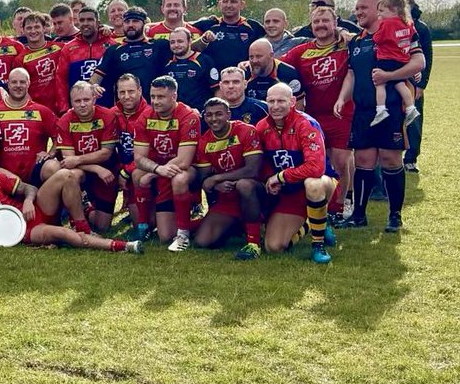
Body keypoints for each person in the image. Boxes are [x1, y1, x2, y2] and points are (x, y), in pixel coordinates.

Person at [338, 0, 425, 233]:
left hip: (392, 110)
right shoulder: (356, 41)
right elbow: (352, 74)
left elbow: (418, 62)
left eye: (363, 8)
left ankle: (395, 216)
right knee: (363, 161)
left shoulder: (401, 31)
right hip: (364, 111)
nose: (358, 12)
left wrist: (388, 77)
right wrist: (342, 97)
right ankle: (358, 215)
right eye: (356, 8)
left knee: (390, 159)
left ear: (379, 10)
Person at [0, 151, 139, 253]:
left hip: (33, 210)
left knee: (66, 175)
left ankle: (83, 228)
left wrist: (28, 201)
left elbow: (29, 189)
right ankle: (119, 246)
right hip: (24, 231)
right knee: (63, 233)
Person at [284, 5, 355, 223]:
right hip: (314, 117)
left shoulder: (346, 46)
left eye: (326, 21)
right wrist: (250, 63)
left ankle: (344, 203)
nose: (321, 25)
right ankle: (324, 203)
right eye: (316, 22)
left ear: (335, 24)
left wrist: (348, 35)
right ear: (311, 25)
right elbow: (276, 63)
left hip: (342, 114)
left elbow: (366, 40)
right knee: (321, 164)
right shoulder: (301, 51)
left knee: (341, 160)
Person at [257, 83, 335, 263]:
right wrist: (269, 180)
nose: (275, 106)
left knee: (313, 184)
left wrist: (280, 176)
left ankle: (318, 244)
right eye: (271, 101)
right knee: (274, 247)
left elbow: (316, 168)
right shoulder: (262, 127)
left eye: (281, 101)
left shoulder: (307, 123)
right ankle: (317, 222)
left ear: (292, 101)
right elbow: (263, 164)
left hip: (322, 184)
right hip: (289, 192)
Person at [130, 76, 201, 251]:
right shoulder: (145, 116)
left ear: (174, 96)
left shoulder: (188, 116)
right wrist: (157, 169)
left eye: (160, 97)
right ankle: (143, 225)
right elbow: (138, 157)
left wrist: (155, 172)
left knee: (179, 178)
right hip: (160, 169)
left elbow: (184, 161)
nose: (155, 101)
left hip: (186, 169)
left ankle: (184, 233)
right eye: (153, 96)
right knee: (136, 174)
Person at [191, 98, 265, 258]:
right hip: (228, 199)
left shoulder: (246, 131)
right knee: (203, 242)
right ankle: (237, 226)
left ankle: (254, 243)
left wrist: (217, 178)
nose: (214, 119)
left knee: (244, 185)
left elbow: (253, 170)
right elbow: (204, 179)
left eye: (219, 114)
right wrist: (214, 185)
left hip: (257, 193)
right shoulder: (204, 142)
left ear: (228, 114)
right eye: (209, 115)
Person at [50, 81, 122, 233]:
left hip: (107, 171)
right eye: (77, 101)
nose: (82, 104)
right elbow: (69, 161)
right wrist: (95, 168)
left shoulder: (108, 116)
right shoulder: (64, 121)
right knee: (71, 175)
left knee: (102, 227)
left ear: (94, 99)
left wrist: (78, 160)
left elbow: (106, 153)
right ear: (71, 102)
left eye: (86, 100)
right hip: (84, 170)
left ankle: (86, 209)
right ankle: (77, 218)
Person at [0, 68, 59, 185]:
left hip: (35, 173)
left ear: (28, 83)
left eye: (22, 82)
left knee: (54, 167)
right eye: (14, 82)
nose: (18, 85)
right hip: (4, 175)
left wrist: (50, 154)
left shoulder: (42, 111)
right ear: (8, 84)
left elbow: (60, 136)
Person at [91, 7, 172, 102]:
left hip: (154, 108)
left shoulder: (160, 45)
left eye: (135, 21)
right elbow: (95, 78)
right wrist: (93, 86)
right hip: (126, 110)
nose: (130, 25)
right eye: (127, 21)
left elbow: (186, 48)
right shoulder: (114, 50)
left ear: (145, 23)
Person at [369, 0, 420, 127]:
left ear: (394, 10)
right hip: (402, 59)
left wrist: (378, 29)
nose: (379, 15)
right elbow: (414, 38)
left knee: (380, 83)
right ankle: (411, 107)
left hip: (386, 58)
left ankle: (380, 109)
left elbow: (377, 39)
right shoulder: (408, 23)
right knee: (400, 84)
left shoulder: (387, 24)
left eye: (382, 11)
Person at [113, 74, 151, 226]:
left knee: (141, 221)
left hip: (142, 168)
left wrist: (126, 171)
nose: (126, 96)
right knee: (100, 224)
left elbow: (151, 154)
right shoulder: (112, 113)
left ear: (140, 91)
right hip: (119, 166)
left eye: (131, 91)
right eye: (122, 92)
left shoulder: (151, 114)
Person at [59, 7, 117, 108]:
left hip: (108, 108)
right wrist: (64, 108)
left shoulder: (112, 45)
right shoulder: (68, 48)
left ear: (98, 23)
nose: (85, 23)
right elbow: (61, 80)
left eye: (90, 20)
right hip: (78, 109)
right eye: (82, 20)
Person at [194, 0, 265, 70]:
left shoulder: (254, 27)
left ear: (242, 5)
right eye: (225, 1)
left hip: (243, 79)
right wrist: (203, 39)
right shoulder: (207, 25)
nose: (228, 5)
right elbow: (183, 34)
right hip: (212, 80)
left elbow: (274, 38)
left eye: (233, 2)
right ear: (220, 4)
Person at [13, 12, 65, 112]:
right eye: (29, 28)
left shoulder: (59, 48)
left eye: (37, 27)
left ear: (44, 28)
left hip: (63, 108)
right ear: (23, 30)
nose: (33, 31)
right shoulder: (20, 59)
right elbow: (23, 90)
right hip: (39, 111)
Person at [404, 0, 432, 172]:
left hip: (415, 82)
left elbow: (427, 58)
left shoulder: (421, 28)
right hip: (394, 81)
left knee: (414, 120)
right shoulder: (387, 25)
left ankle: (411, 158)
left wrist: (421, 84)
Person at [163, 27, 219, 110]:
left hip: (201, 112)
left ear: (190, 41)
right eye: (172, 42)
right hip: (176, 114)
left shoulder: (204, 60)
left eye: (180, 41)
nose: (176, 45)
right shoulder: (167, 63)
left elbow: (217, 89)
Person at [244, 39, 304, 104]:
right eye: (251, 57)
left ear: (271, 55)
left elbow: (298, 106)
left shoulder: (288, 74)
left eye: (259, 56)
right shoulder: (244, 73)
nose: (254, 61)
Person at [293, 0, 362, 39]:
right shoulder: (302, 33)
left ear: (332, 9)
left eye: (320, 5)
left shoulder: (349, 27)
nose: (315, 8)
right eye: (312, 5)